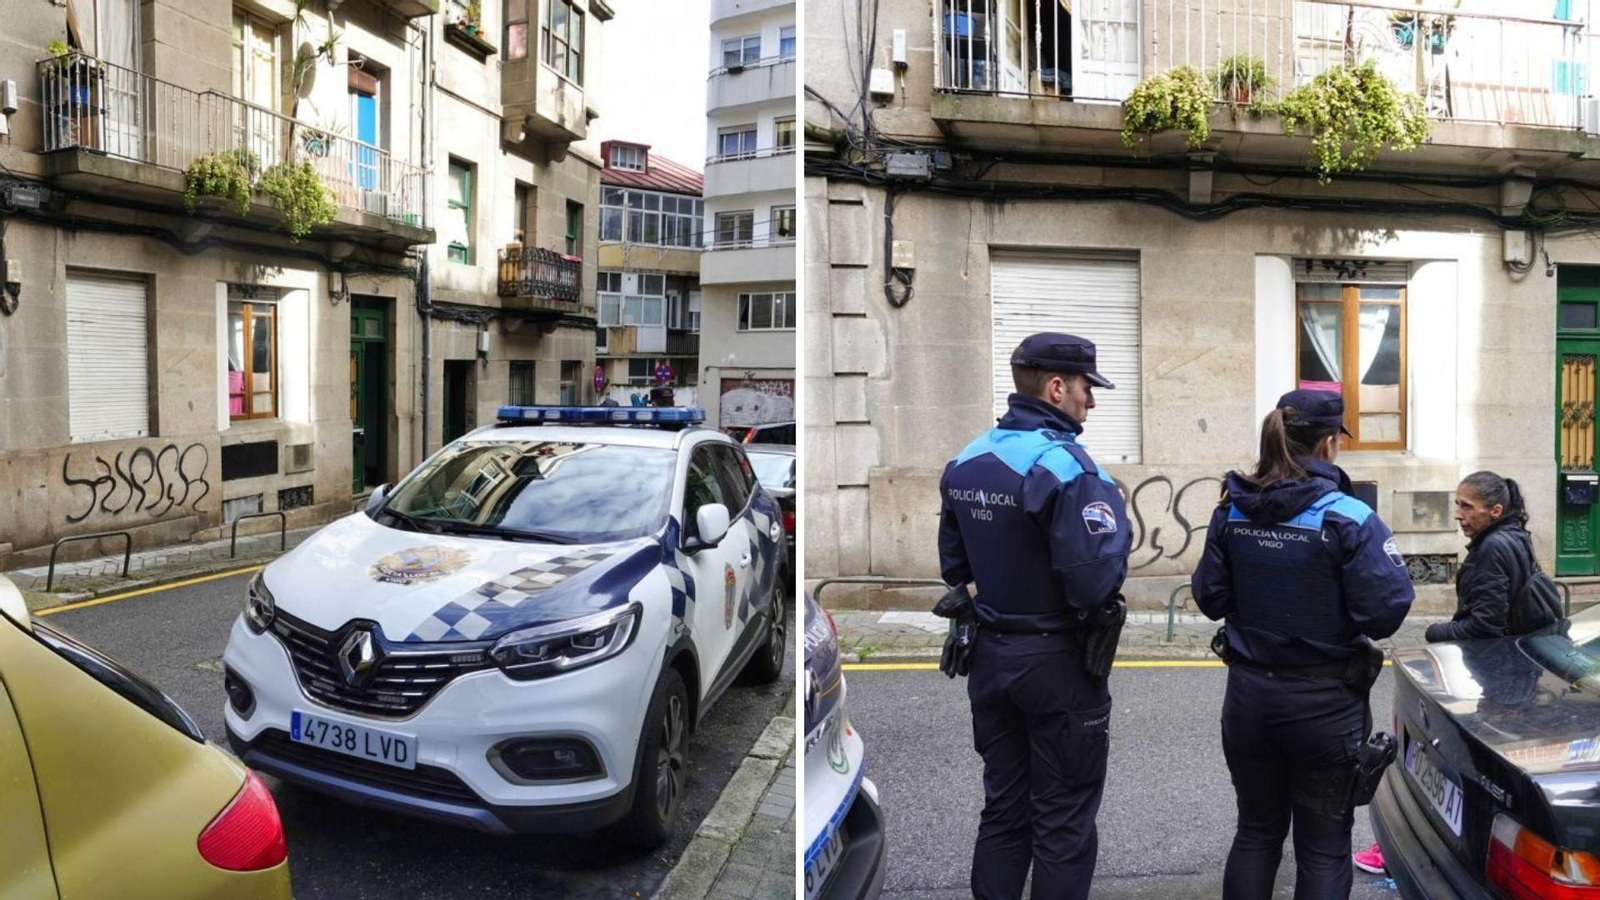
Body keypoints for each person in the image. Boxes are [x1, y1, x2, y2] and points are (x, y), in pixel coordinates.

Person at [1191, 390, 1415, 900]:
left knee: (1256, 832)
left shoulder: (1232, 509)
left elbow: (1209, 596)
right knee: (1322, 849)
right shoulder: (1348, 516)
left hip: (1249, 698)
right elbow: (1385, 611)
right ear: (1330, 444)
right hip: (1322, 706)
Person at [937, 333, 1132, 900]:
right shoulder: (1067, 468)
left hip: (992, 659)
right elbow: (1093, 580)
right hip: (1057, 666)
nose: (1090, 402)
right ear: (1055, 387)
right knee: (1063, 823)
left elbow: (955, 567)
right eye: (1085, 389)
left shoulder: (967, 459)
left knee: (1004, 810)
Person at [1352, 470, 1538, 875]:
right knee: (1478, 775)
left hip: (1494, 680)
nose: (1458, 514)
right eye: (1457, 504)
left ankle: (1407, 847)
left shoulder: (1491, 549)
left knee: (1443, 761)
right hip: (1511, 676)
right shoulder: (1515, 538)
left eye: (1467, 506)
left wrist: (1437, 632)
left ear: (1495, 510)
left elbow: (1486, 623)